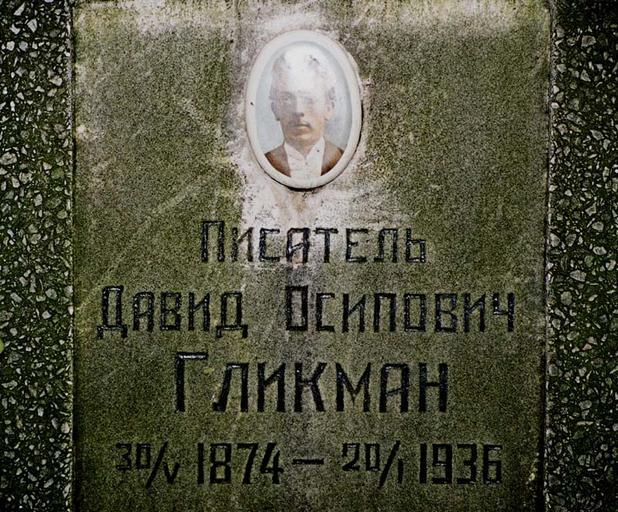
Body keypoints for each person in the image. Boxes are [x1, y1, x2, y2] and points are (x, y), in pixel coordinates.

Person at [265, 45, 344, 180]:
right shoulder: (263, 165)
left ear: (328, 108)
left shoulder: (344, 161)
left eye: (308, 99)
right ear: (275, 109)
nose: (298, 110)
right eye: (287, 99)